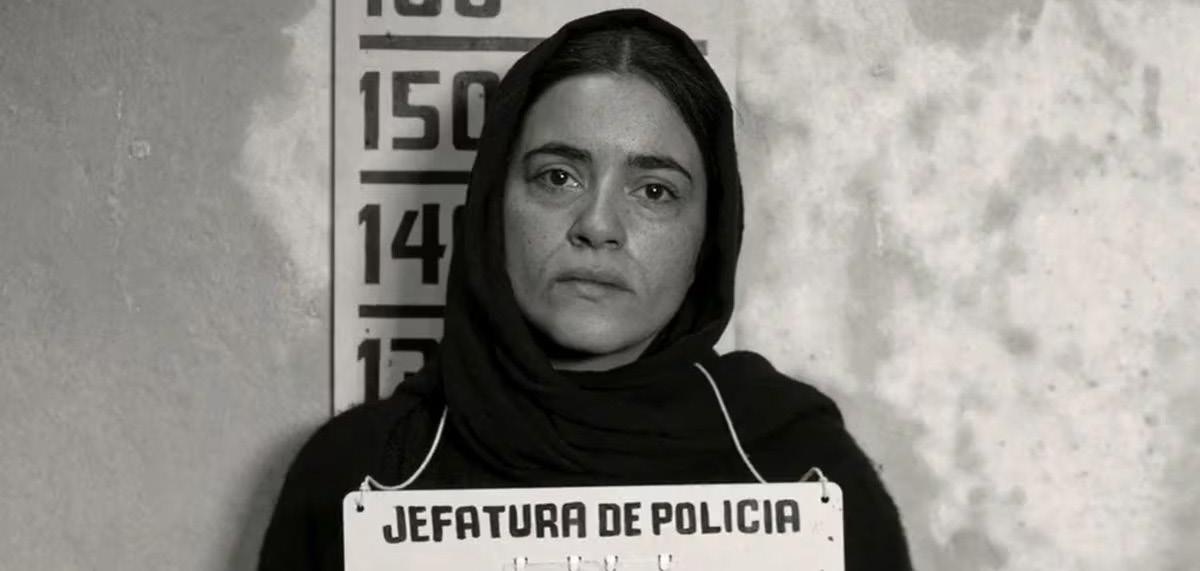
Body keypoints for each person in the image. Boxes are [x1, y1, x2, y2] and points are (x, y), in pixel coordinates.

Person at [259, 8, 912, 570]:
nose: (598, 226)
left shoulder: (802, 470)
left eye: (654, 190)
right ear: (491, 206)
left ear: (709, 238)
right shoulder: (357, 474)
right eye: (557, 177)